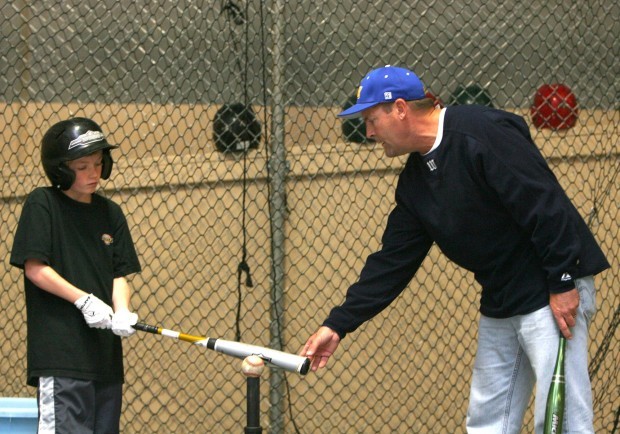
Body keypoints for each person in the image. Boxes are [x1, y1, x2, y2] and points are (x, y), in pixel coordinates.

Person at [300, 65, 609, 433]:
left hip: (549, 290)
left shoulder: (480, 132)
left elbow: (544, 204)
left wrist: (562, 282)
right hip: (502, 299)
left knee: (561, 422)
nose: (367, 132)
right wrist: (338, 324)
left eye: (371, 119)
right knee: (487, 422)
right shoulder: (416, 183)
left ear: (400, 108)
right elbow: (392, 262)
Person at [10, 117, 142, 434]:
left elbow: (119, 274)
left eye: (98, 163)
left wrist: (122, 309)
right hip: (63, 354)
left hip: (105, 358)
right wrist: (83, 300)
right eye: (82, 166)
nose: (93, 173)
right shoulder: (43, 204)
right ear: (62, 168)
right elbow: (35, 268)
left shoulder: (110, 212)